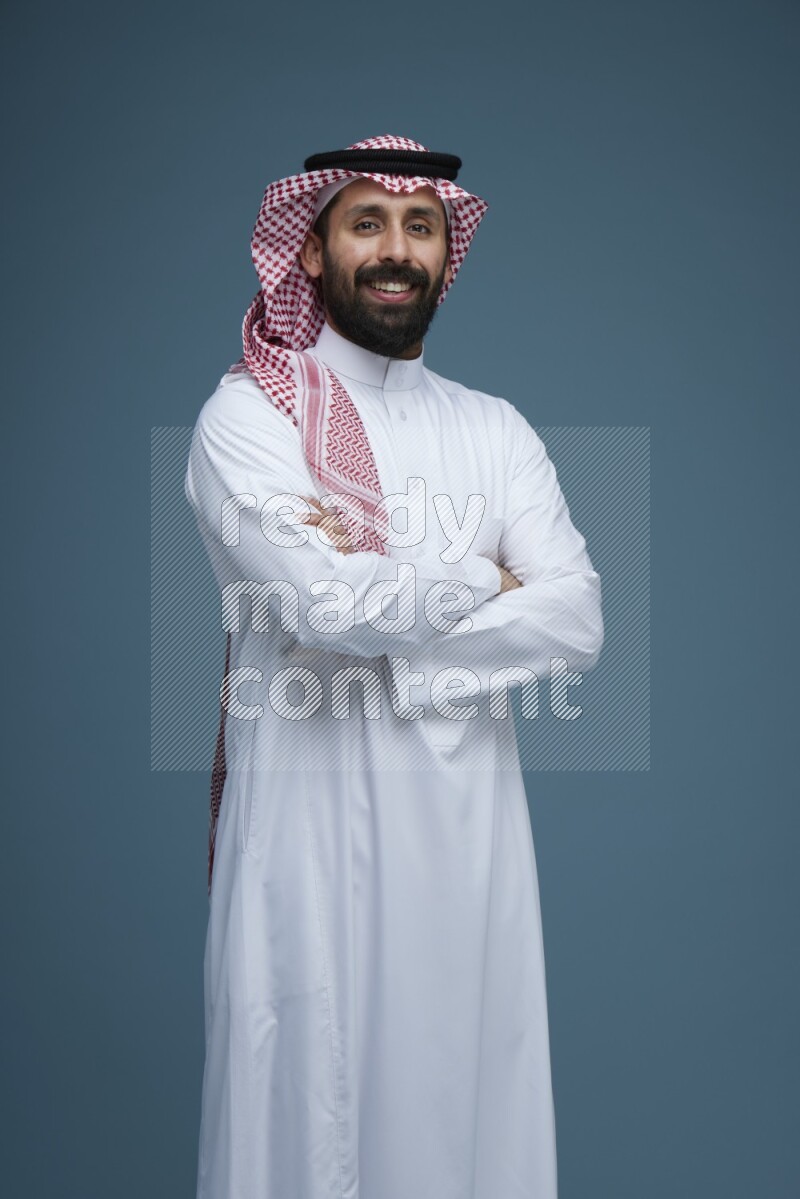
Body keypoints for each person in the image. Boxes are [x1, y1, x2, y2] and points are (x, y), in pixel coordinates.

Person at [184, 133, 604, 1199]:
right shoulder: (248, 414)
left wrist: (389, 607)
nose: (394, 249)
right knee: (302, 1107)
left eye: (419, 227)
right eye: (365, 222)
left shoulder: (494, 429)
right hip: (305, 834)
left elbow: (574, 620)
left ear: (445, 254)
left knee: (460, 1111)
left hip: (465, 844)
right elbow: (317, 600)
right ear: (314, 251)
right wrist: (482, 577)